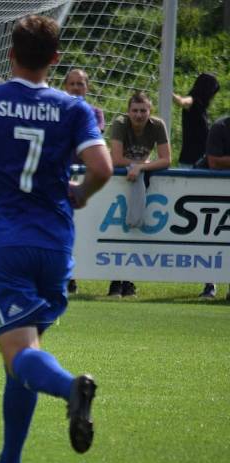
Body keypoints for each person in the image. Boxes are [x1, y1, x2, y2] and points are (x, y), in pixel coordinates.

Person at [0, 15, 113, 463]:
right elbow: (101, 168)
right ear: (55, 60)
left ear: (10, 54)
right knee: (20, 353)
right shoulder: (73, 108)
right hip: (55, 244)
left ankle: (71, 388)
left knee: (20, 352)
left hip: (6, 242)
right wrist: (79, 195)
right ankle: (9, 462)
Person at [107, 91, 171, 297]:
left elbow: (166, 159)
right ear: (128, 112)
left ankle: (129, 282)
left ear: (150, 111)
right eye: (135, 110)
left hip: (140, 177)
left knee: (136, 229)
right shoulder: (119, 123)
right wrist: (138, 165)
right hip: (117, 179)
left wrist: (141, 168)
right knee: (115, 232)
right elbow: (116, 159)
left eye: (143, 110)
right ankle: (114, 282)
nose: (139, 115)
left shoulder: (157, 125)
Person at [62, 68, 104, 295]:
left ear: (87, 87)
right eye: (72, 84)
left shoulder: (94, 113)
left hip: (85, 180)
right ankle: (66, 277)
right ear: (65, 87)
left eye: (80, 84)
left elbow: (90, 137)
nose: (76, 88)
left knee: (84, 230)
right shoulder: (57, 110)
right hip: (63, 177)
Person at [196, 115, 230, 300]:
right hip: (214, 191)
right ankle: (210, 285)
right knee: (211, 238)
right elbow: (213, 162)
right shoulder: (220, 127)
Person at [173, 72, 220, 167]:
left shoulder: (203, 109)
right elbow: (182, 101)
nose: (212, 97)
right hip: (190, 161)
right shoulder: (193, 101)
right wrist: (167, 90)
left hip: (201, 160)